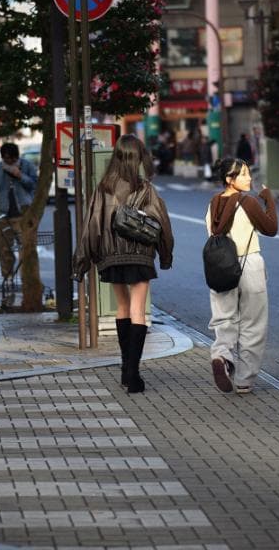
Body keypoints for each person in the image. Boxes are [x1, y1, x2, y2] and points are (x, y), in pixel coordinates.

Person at [74, 134, 173, 394]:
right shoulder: (145, 188)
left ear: (117, 156)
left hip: (110, 256)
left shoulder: (103, 189)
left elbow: (91, 226)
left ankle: (125, 369)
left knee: (122, 307)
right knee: (138, 310)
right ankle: (133, 373)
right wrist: (165, 255)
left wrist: (83, 261)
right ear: (138, 157)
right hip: (140, 254)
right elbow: (162, 223)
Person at [206, 157, 278, 395]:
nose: (249, 178)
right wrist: (268, 201)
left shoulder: (213, 202)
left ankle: (222, 357)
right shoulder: (248, 202)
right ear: (230, 179)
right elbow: (271, 228)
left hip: (220, 266)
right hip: (249, 264)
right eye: (244, 174)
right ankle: (244, 380)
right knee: (252, 323)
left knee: (224, 319)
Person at [0, 142, 38, 285]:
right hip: (2, 212)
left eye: (12, 159)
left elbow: (34, 185)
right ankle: (8, 276)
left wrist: (20, 175)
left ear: (17, 157)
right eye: (6, 159)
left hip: (22, 212)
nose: (9, 162)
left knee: (25, 247)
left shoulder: (27, 165)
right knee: (4, 248)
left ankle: (26, 278)